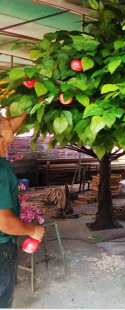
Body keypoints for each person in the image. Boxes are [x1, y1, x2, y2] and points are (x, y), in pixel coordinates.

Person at [0, 111, 45, 308]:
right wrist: (32, 230)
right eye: (6, 124)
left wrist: (31, 106)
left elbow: (13, 125)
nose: (14, 127)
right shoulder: (1, 170)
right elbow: (5, 222)